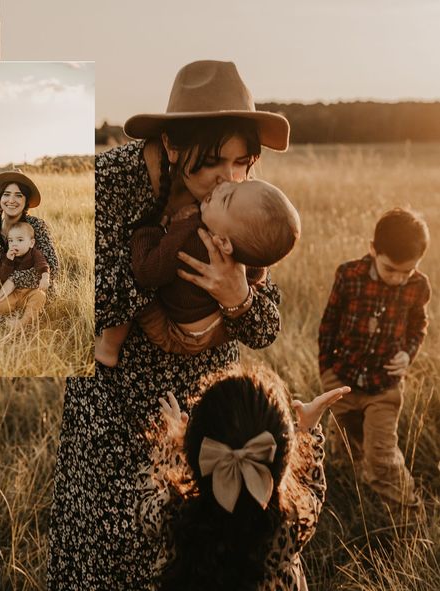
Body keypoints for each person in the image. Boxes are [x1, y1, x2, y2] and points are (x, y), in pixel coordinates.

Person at [48, 60, 292, 590]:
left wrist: (238, 297)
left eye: (242, 163)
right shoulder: (108, 183)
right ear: (174, 145)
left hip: (200, 412)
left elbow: (266, 326)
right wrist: (162, 258)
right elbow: (78, 304)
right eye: (213, 164)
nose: (227, 179)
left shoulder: (238, 199)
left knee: (185, 556)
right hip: (113, 406)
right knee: (106, 549)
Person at [136, 366, 350, 591]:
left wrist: (169, 448)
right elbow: (312, 489)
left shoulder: (173, 513)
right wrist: (308, 430)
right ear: (283, 460)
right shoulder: (290, 523)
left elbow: (145, 501)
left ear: (198, 452)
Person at [96, 179, 300, 366]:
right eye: (238, 184)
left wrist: (149, 230)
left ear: (223, 242)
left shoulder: (192, 237)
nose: (224, 185)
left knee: (130, 287)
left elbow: (147, 271)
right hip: (219, 330)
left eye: (227, 198)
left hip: (176, 336)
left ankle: (108, 348)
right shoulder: (244, 249)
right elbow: (259, 280)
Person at [319, 207, 431, 506]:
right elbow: (329, 324)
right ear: (373, 250)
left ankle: (407, 514)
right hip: (342, 380)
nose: (397, 279)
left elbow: (418, 326)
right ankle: (353, 498)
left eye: (406, 272)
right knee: (344, 448)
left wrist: (408, 354)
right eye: (389, 269)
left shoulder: (418, 286)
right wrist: (327, 372)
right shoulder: (349, 275)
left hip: (384, 387)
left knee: (381, 458)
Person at [0, 170, 59, 295]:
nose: (11, 200)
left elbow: (53, 267)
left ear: (26, 201)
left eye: (19, 195)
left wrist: (14, 280)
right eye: (7, 194)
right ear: (0, 199)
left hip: (34, 293)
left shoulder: (36, 225)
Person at [0, 221, 50, 329]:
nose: (14, 244)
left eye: (20, 240)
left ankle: (24, 321)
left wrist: (45, 277)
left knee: (39, 296)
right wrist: (8, 260)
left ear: (31, 243)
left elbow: (43, 265)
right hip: (14, 292)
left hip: (30, 291)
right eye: (11, 240)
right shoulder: (7, 256)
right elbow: (3, 276)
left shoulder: (34, 253)